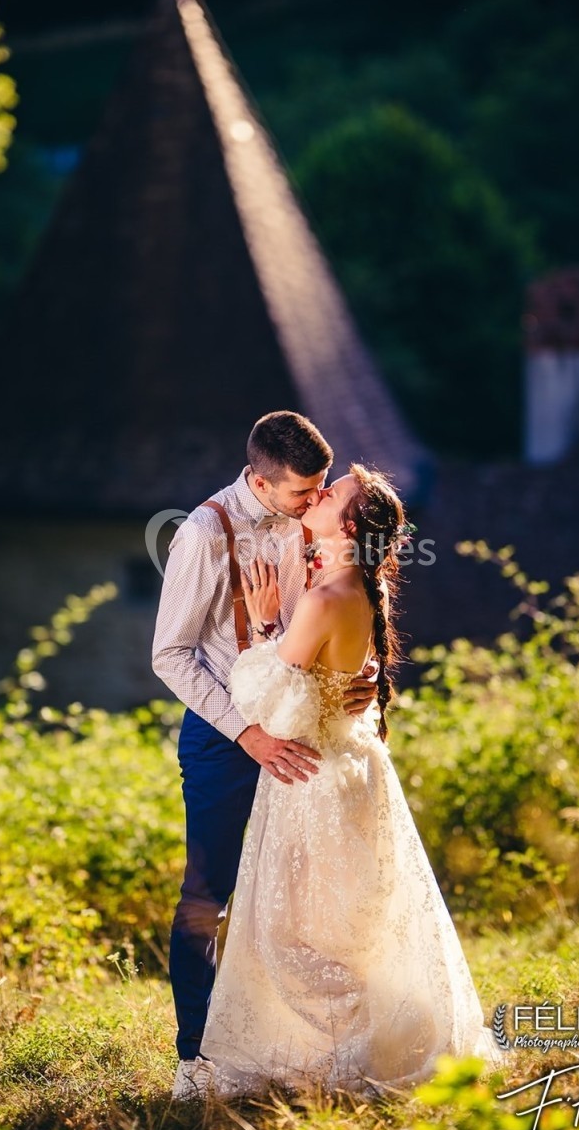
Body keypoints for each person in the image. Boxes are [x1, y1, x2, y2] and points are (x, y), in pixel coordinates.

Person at [198, 463, 504, 1098]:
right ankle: (359, 1040)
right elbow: (328, 684)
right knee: (343, 924)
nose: (321, 490)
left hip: (312, 777)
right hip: (353, 766)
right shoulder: (359, 589)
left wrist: (261, 625)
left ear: (349, 524)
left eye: (333, 492)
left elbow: (270, 705)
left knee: (292, 931)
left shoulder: (323, 598)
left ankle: (345, 1054)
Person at [151, 411, 378, 1100]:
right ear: (257, 479)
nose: (316, 503)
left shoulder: (308, 524)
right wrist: (245, 732)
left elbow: (326, 615)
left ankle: (296, 1042)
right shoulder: (199, 534)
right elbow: (170, 654)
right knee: (208, 894)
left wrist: (353, 675)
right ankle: (195, 1058)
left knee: (298, 895)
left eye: (320, 490)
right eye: (301, 494)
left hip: (303, 728)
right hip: (226, 738)